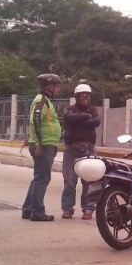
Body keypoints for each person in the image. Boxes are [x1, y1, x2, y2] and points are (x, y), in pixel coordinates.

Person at [22, 73, 63, 222]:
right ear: (49, 86)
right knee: (42, 179)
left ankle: (28, 210)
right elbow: (36, 120)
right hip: (44, 145)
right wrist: (38, 143)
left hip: (46, 144)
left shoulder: (45, 101)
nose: (58, 89)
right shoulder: (42, 101)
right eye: (57, 86)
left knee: (38, 178)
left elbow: (37, 122)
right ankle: (37, 212)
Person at [61, 84, 101, 220]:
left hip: (88, 148)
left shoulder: (93, 110)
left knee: (89, 181)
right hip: (71, 148)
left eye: (88, 94)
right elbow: (68, 118)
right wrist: (84, 117)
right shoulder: (69, 109)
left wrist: (79, 119)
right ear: (77, 96)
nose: (86, 97)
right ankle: (67, 209)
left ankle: (88, 209)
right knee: (69, 181)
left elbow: (96, 121)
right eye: (83, 94)